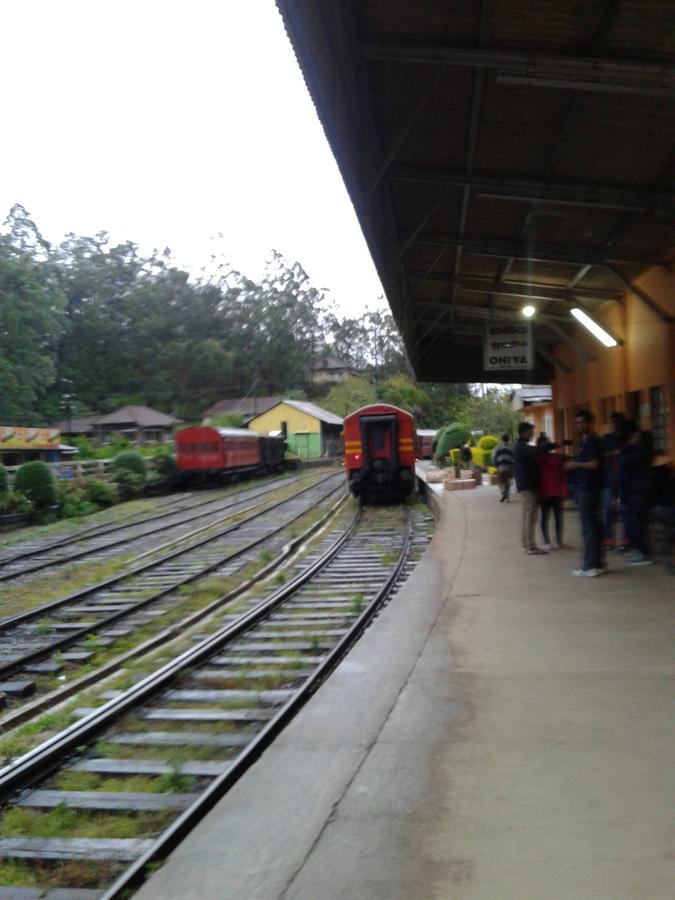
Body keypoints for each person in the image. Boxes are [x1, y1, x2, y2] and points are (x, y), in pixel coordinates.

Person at [565, 409, 605, 576]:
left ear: (590, 422)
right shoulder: (584, 441)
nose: (579, 425)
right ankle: (597, 562)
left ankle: (590, 565)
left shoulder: (593, 441)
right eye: (577, 422)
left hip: (589, 488)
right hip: (585, 486)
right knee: (592, 526)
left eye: (582, 422)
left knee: (589, 527)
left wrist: (576, 465)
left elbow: (595, 464)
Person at [512, 421, 556, 555]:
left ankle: (527, 544)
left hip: (526, 485)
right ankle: (530, 546)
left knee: (527, 515)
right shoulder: (521, 447)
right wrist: (555, 445)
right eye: (530, 432)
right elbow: (537, 450)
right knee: (530, 516)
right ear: (524, 432)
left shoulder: (520, 446)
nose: (532, 435)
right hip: (528, 486)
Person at [619, 423, 654, 565]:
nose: (635, 437)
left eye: (637, 435)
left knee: (637, 524)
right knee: (637, 524)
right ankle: (641, 551)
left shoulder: (637, 452)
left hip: (637, 493)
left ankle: (643, 553)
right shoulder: (634, 451)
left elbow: (626, 471)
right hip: (635, 492)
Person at [535, 436, 568, 550]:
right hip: (544, 494)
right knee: (545, 517)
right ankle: (546, 541)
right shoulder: (537, 460)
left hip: (556, 492)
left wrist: (563, 490)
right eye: (544, 446)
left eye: (548, 445)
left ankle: (559, 541)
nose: (547, 448)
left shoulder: (556, 458)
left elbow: (561, 475)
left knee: (558, 518)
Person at [601, 411, 626, 550]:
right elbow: (602, 454)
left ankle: (623, 540)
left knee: (623, 510)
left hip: (623, 480)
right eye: (613, 422)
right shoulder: (607, 438)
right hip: (610, 479)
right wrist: (613, 453)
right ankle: (609, 539)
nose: (615, 425)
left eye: (618, 422)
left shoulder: (626, 438)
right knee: (608, 510)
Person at [493, 433, 514, 502]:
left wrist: (495, 465)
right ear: (508, 439)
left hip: (500, 467)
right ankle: (507, 497)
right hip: (509, 467)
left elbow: (493, 457)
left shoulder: (497, 447)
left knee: (500, 482)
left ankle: (503, 492)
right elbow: (515, 457)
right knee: (508, 482)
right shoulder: (512, 447)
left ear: (501, 439)